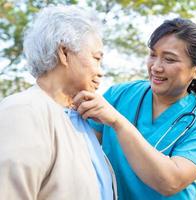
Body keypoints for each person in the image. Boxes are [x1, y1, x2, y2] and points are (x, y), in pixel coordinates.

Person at [74, 18, 196, 199]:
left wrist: (118, 123)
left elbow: (170, 182)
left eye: (169, 59)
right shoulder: (119, 95)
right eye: (152, 55)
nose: (156, 67)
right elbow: (79, 151)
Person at [0, 5, 117, 200]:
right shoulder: (24, 111)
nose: (100, 72)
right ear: (64, 53)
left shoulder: (80, 120)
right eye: (96, 58)